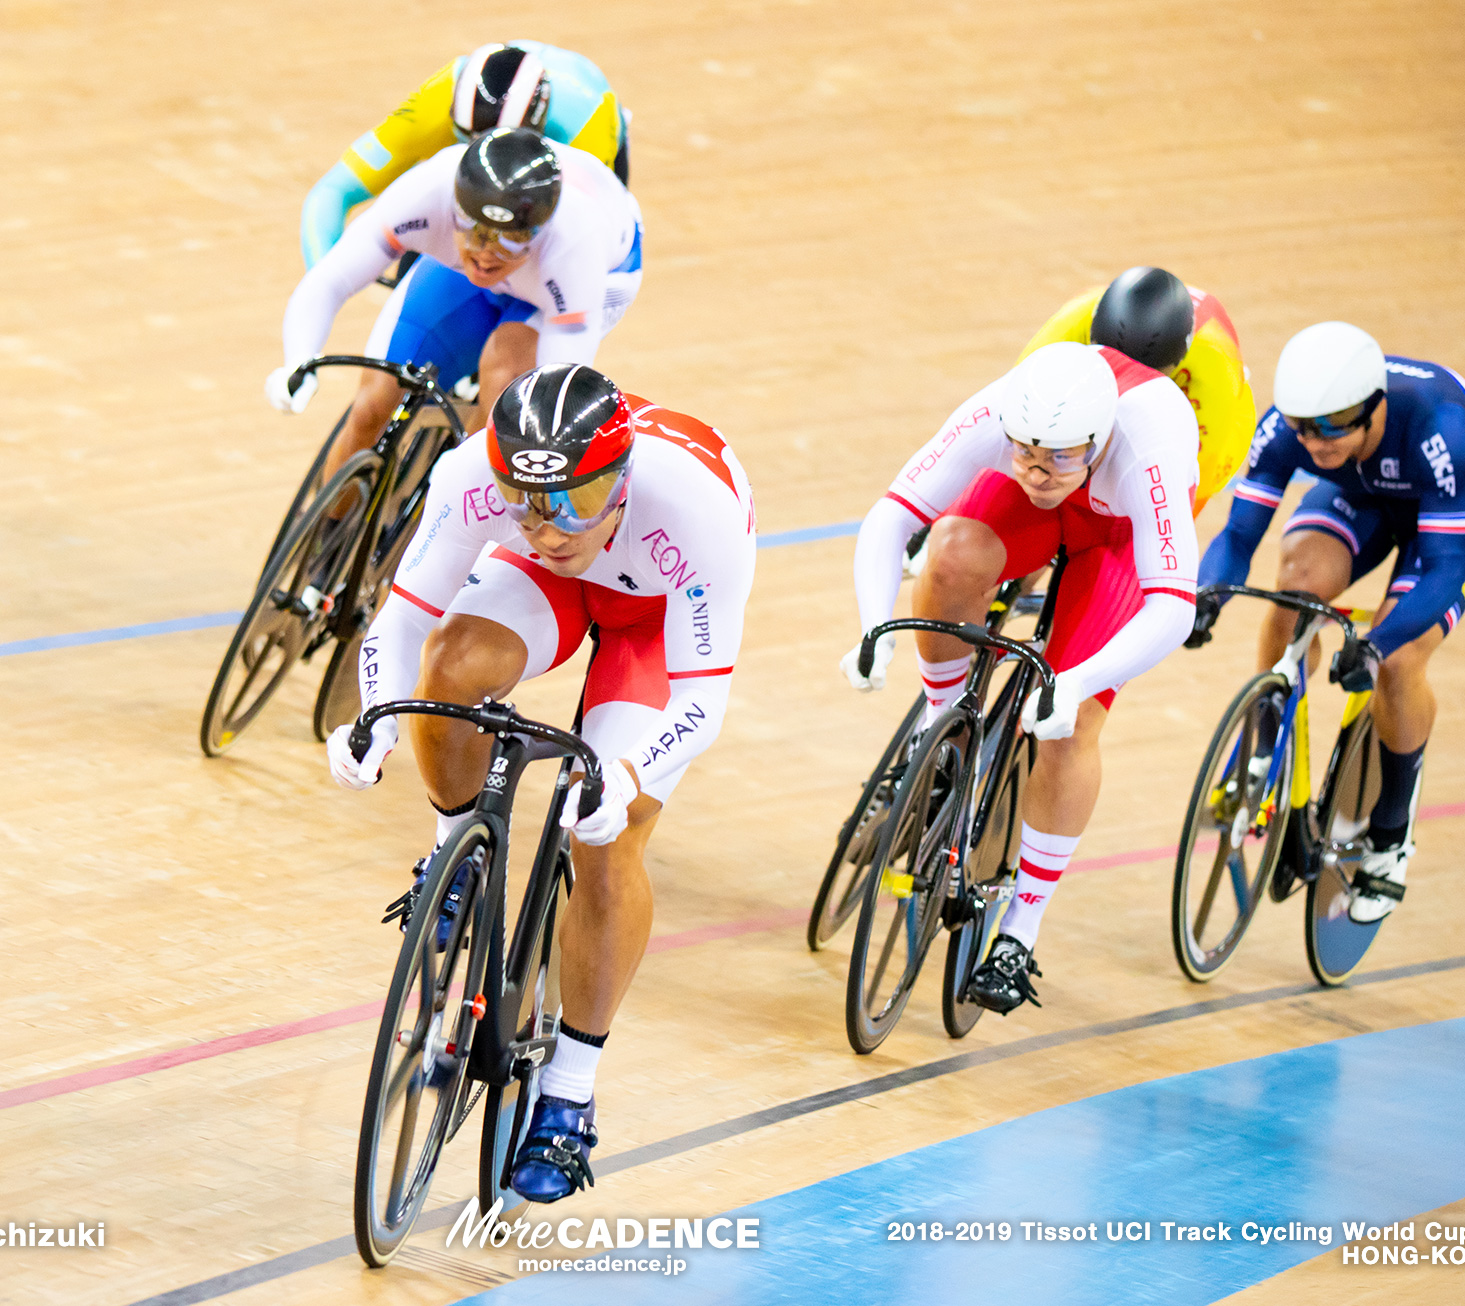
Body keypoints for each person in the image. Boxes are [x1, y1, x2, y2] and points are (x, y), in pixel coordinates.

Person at [324, 363, 756, 1202]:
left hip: (656, 622)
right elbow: (404, 619)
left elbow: (702, 698)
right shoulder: (470, 479)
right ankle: (454, 857)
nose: (551, 526)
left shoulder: (695, 508)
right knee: (448, 666)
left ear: (621, 480)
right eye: (525, 503)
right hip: (552, 595)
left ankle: (568, 1095)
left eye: (576, 502)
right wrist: (373, 718)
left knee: (606, 838)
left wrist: (626, 773)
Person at [843, 342, 1200, 1012]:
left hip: (1118, 537)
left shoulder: (1148, 443)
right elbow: (892, 515)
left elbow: (1174, 606)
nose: (1038, 471)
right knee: (948, 558)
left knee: (1071, 725)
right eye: (1026, 452)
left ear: (1097, 440)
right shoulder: (998, 414)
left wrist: (1077, 680)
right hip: (1046, 518)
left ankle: (1020, 930)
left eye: (1060, 456)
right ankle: (938, 735)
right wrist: (871, 629)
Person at [1189, 322, 1465, 923]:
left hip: (1445, 517)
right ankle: (1266, 744)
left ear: (1374, 408)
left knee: (1401, 660)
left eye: (1334, 425)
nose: (1317, 441)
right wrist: (1206, 600)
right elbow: (1237, 536)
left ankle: (1390, 835)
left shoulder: (1441, 427)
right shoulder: (1287, 432)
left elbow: (1441, 569)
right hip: (1359, 495)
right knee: (1296, 594)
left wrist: (1376, 645)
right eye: (1306, 427)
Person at [267, 126, 644, 485]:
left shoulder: (575, 246)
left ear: (540, 231)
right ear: (455, 208)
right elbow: (331, 278)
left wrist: (481, 460)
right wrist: (299, 360)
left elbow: (557, 386)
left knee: (502, 392)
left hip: (569, 291)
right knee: (373, 404)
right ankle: (325, 535)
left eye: (510, 240)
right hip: (477, 275)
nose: (485, 255)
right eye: (475, 230)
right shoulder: (429, 190)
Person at [300, 41, 628, 269]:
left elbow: (586, 242)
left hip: (573, 150)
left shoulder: (586, 123)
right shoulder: (439, 98)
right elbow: (332, 193)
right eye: (466, 139)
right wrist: (328, 281)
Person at [1020, 266, 1255, 515]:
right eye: (1113, 365)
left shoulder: (1214, 364)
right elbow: (1015, 411)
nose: (1126, 380)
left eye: (1143, 376)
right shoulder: (1075, 320)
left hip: (1208, 416)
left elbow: (1177, 498)